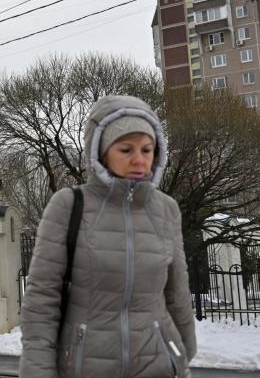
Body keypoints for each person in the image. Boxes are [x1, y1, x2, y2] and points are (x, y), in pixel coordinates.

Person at [19, 95, 197, 378]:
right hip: (86, 366)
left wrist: (182, 352)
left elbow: (176, 292)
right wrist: (38, 371)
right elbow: (42, 299)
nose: (139, 160)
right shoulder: (68, 205)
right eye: (126, 149)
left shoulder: (166, 209)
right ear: (101, 152)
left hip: (158, 366)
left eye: (147, 149)